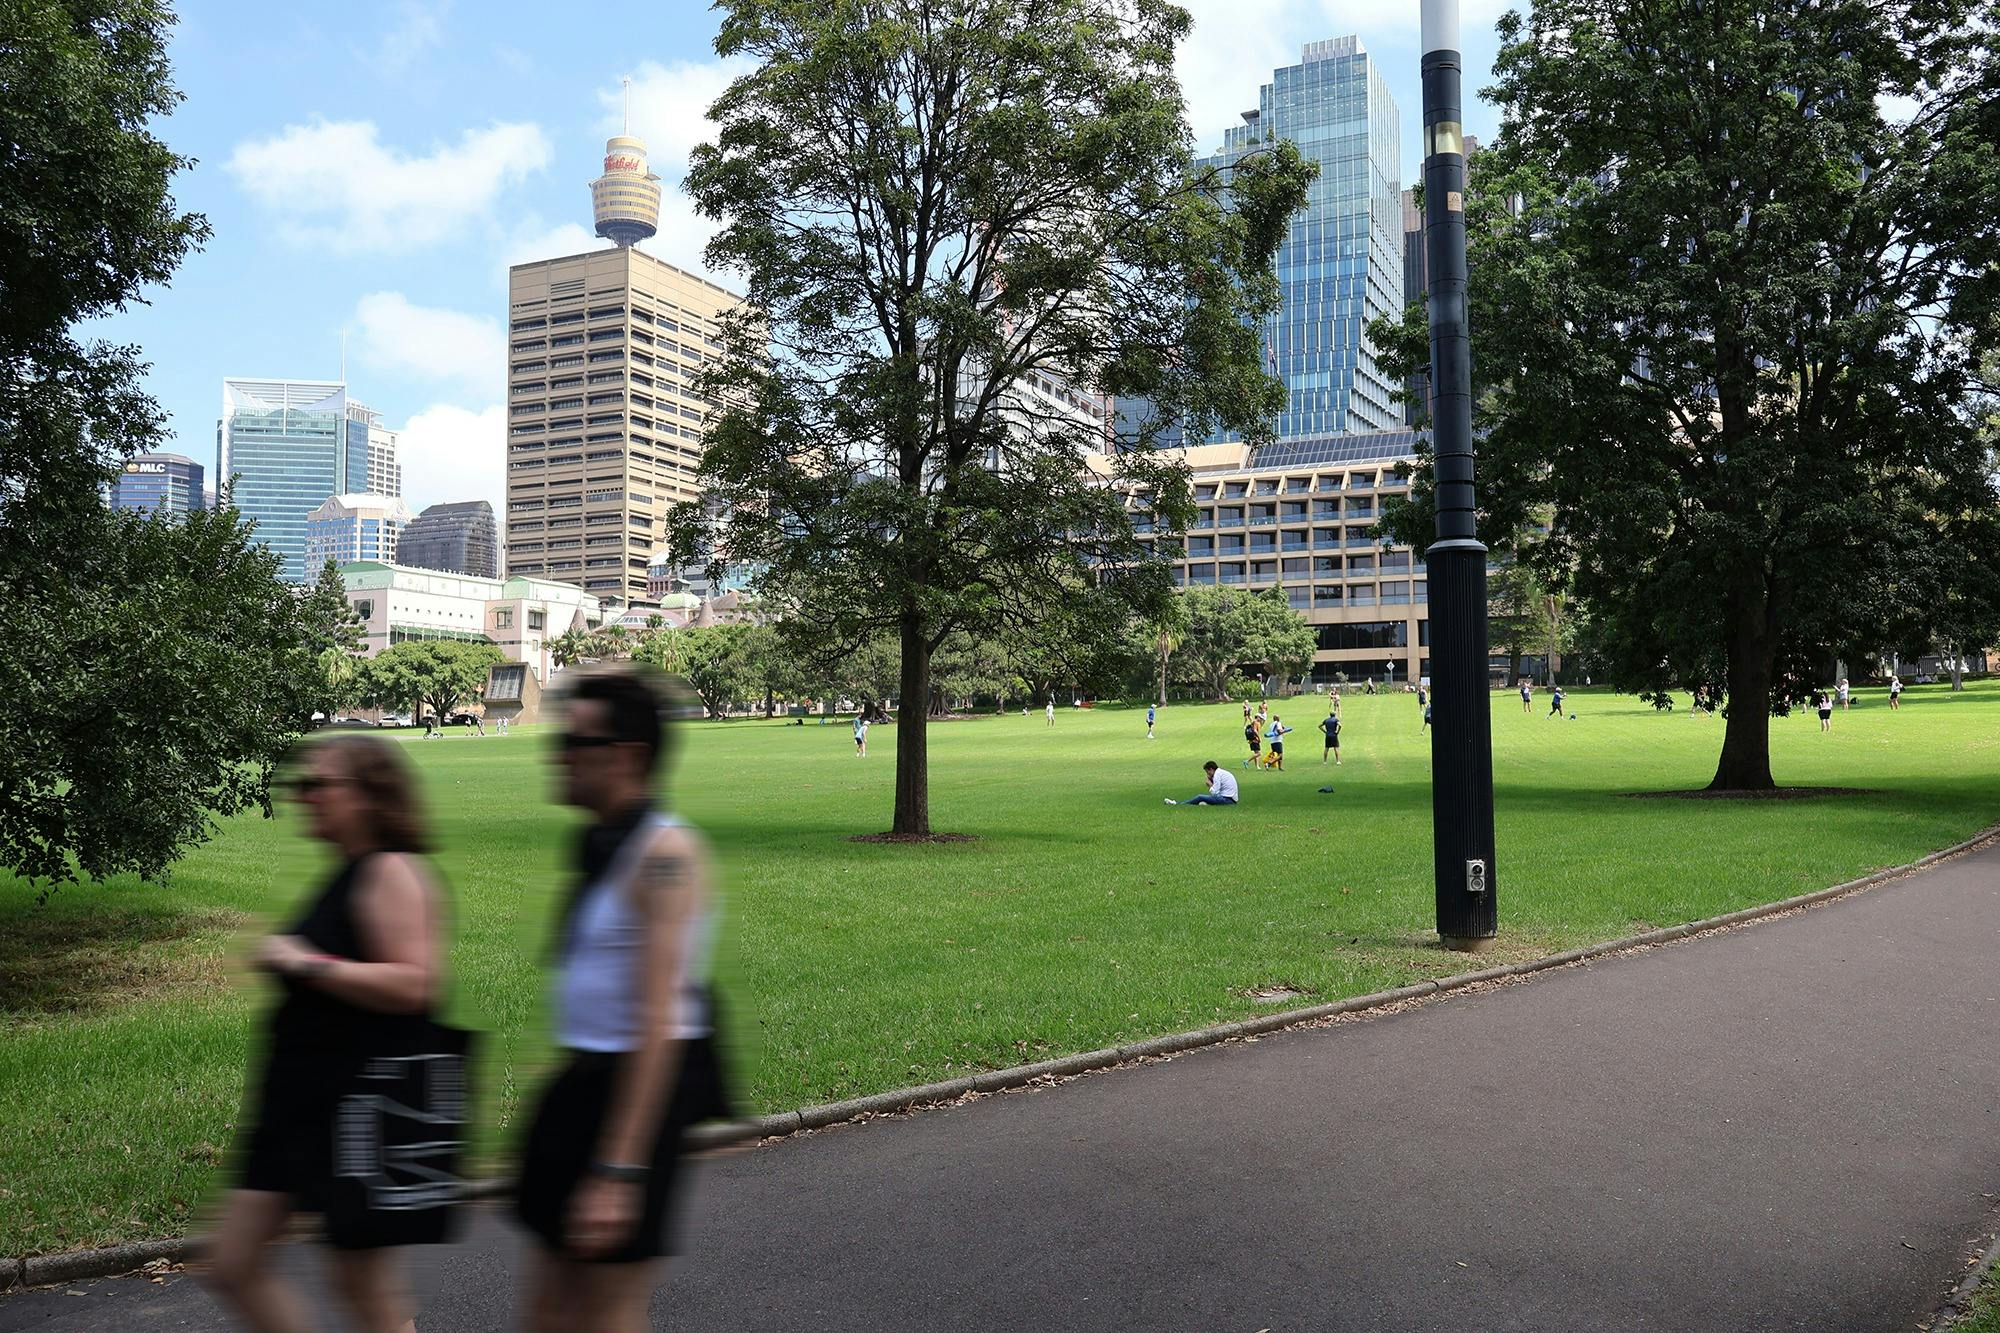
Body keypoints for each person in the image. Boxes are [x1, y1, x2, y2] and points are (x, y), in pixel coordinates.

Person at [207, 735, 448, 1333]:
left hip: (355, 1110)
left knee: (364, 1290)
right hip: (300, 1105)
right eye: (299, 785)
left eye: (319, 785)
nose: (303, 797)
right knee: (231, 1263)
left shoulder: (393, 870)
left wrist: (301, 962)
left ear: (369, 795)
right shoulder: (349, 870)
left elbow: (416, 985)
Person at [517, 671, 728, 1333]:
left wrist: (617, 1169)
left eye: (577, 742)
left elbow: (660, 1020)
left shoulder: (665, 855)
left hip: (635, 1101)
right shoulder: (601, 842)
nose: (560, 755)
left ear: (629, 755)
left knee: (608, 1310)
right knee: (552, 1307)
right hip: (583, 1083)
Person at [1165, 761, 1239, 806]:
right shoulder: (1221, 772)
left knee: (1200, 797)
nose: (1208, 774)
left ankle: (1178, 804)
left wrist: (1209, 784)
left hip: (1227, 800)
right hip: (1231, 799)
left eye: (1208, 772)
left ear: (1211, 769)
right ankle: (1205, 804)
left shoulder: (1217, 775)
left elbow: (1214, 793)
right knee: (1204, 799)